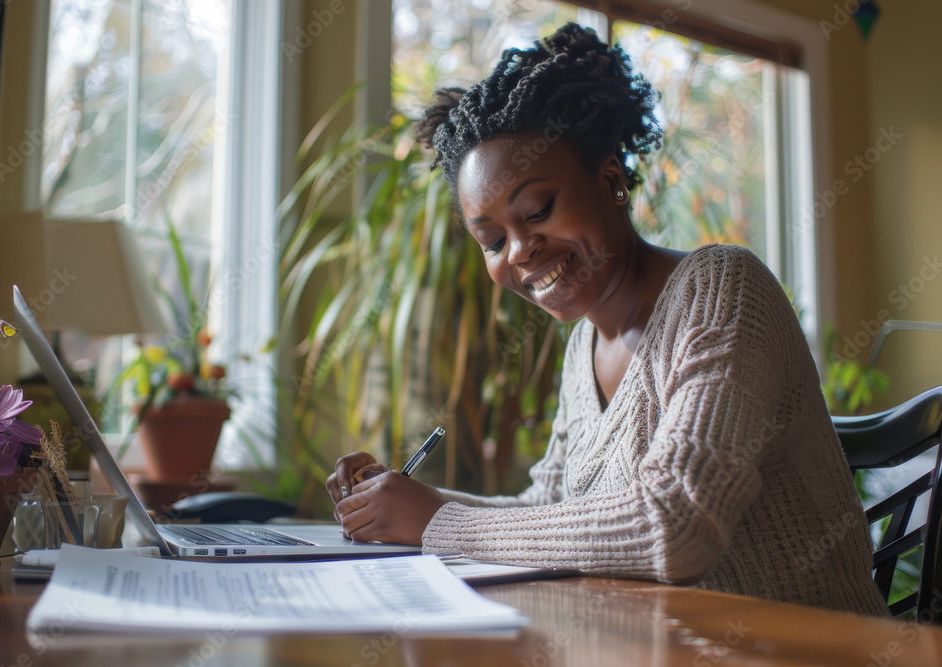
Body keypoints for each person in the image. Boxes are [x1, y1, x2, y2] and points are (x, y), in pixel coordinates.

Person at [326, 23, 887, 616]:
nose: (518, 252)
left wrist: (437, 523)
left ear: (610, 182)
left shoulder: (723, 289)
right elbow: (548, 507)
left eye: (538, 210)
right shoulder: (584, 346)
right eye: (492, 240)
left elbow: (676, 526)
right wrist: (404, 502)